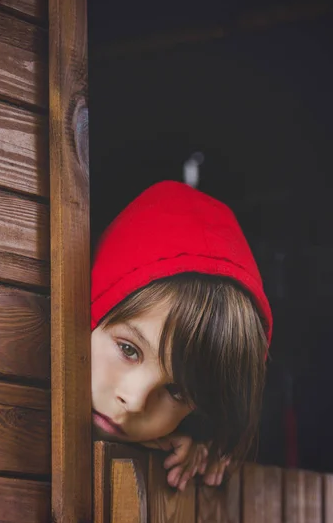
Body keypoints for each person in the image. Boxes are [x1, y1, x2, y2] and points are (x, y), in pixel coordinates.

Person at [91, 180, 272, 491]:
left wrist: (200, 448)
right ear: (92, 310)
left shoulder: (180, 444)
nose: (134, 401)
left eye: (176, 391)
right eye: (128, 349)